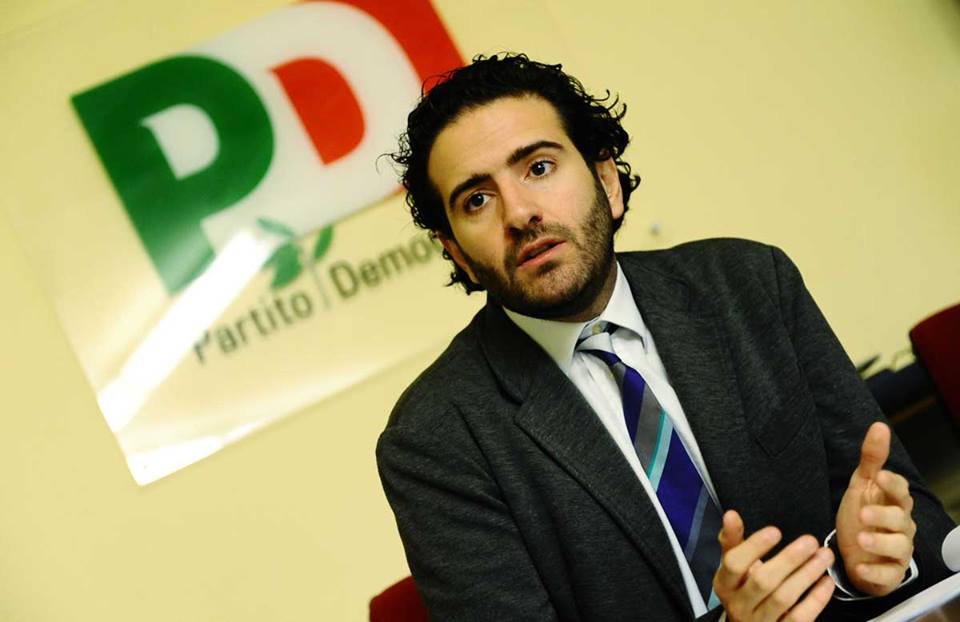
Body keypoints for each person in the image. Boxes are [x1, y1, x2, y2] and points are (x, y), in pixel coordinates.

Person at [375, 54, 956, 621]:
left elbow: (912, 519)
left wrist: (869, 565)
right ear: (458, 254)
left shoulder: (749, 285)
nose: (520, 212)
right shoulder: (433, 439)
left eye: (539, 167)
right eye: (476, 200)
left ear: (607, 181)